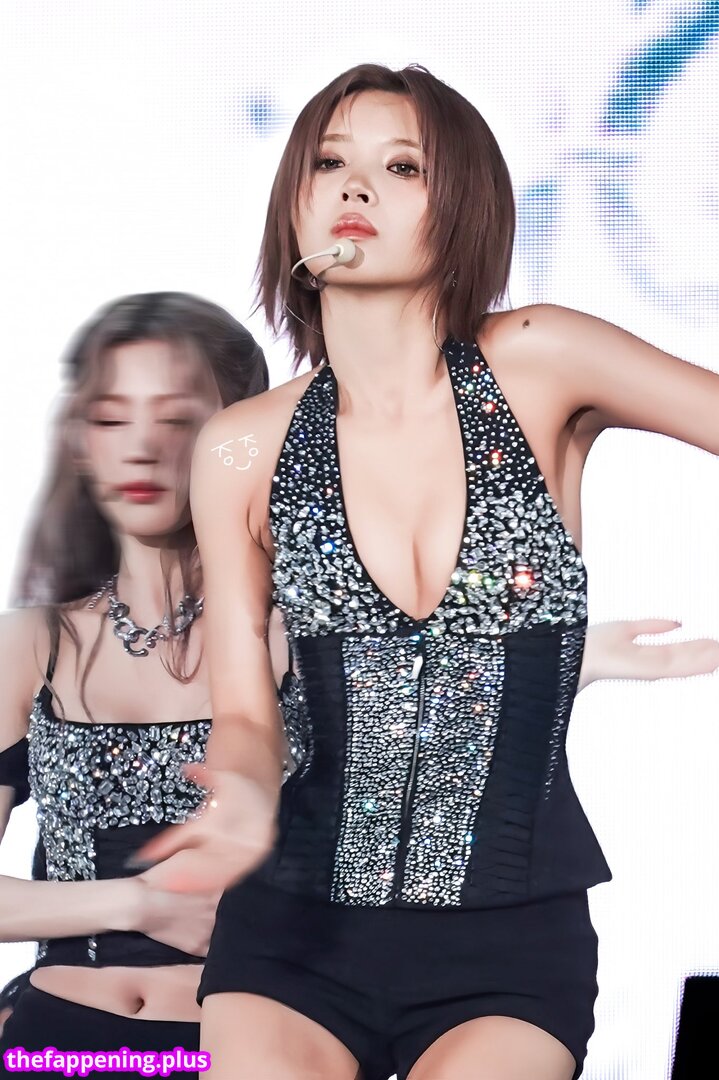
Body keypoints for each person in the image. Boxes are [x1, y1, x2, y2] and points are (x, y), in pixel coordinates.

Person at [135, 64, 719, 1080]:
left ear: (461, 204)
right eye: (329, 162)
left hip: (511, 934)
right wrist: (239, 793)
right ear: (294, 200)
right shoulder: (239, 446)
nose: (355, 186)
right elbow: (245, 712)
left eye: (400, 166)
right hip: (292, 932)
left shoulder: (539, 359)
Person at [0, 292, 298, 1078]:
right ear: (78, 443)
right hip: (52, 1048)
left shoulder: (309, 646)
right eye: (109, 419)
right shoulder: (31, 645)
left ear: (242, 438)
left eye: (177, 420)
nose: (141, 449)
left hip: (249, 1049)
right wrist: (138, 902)